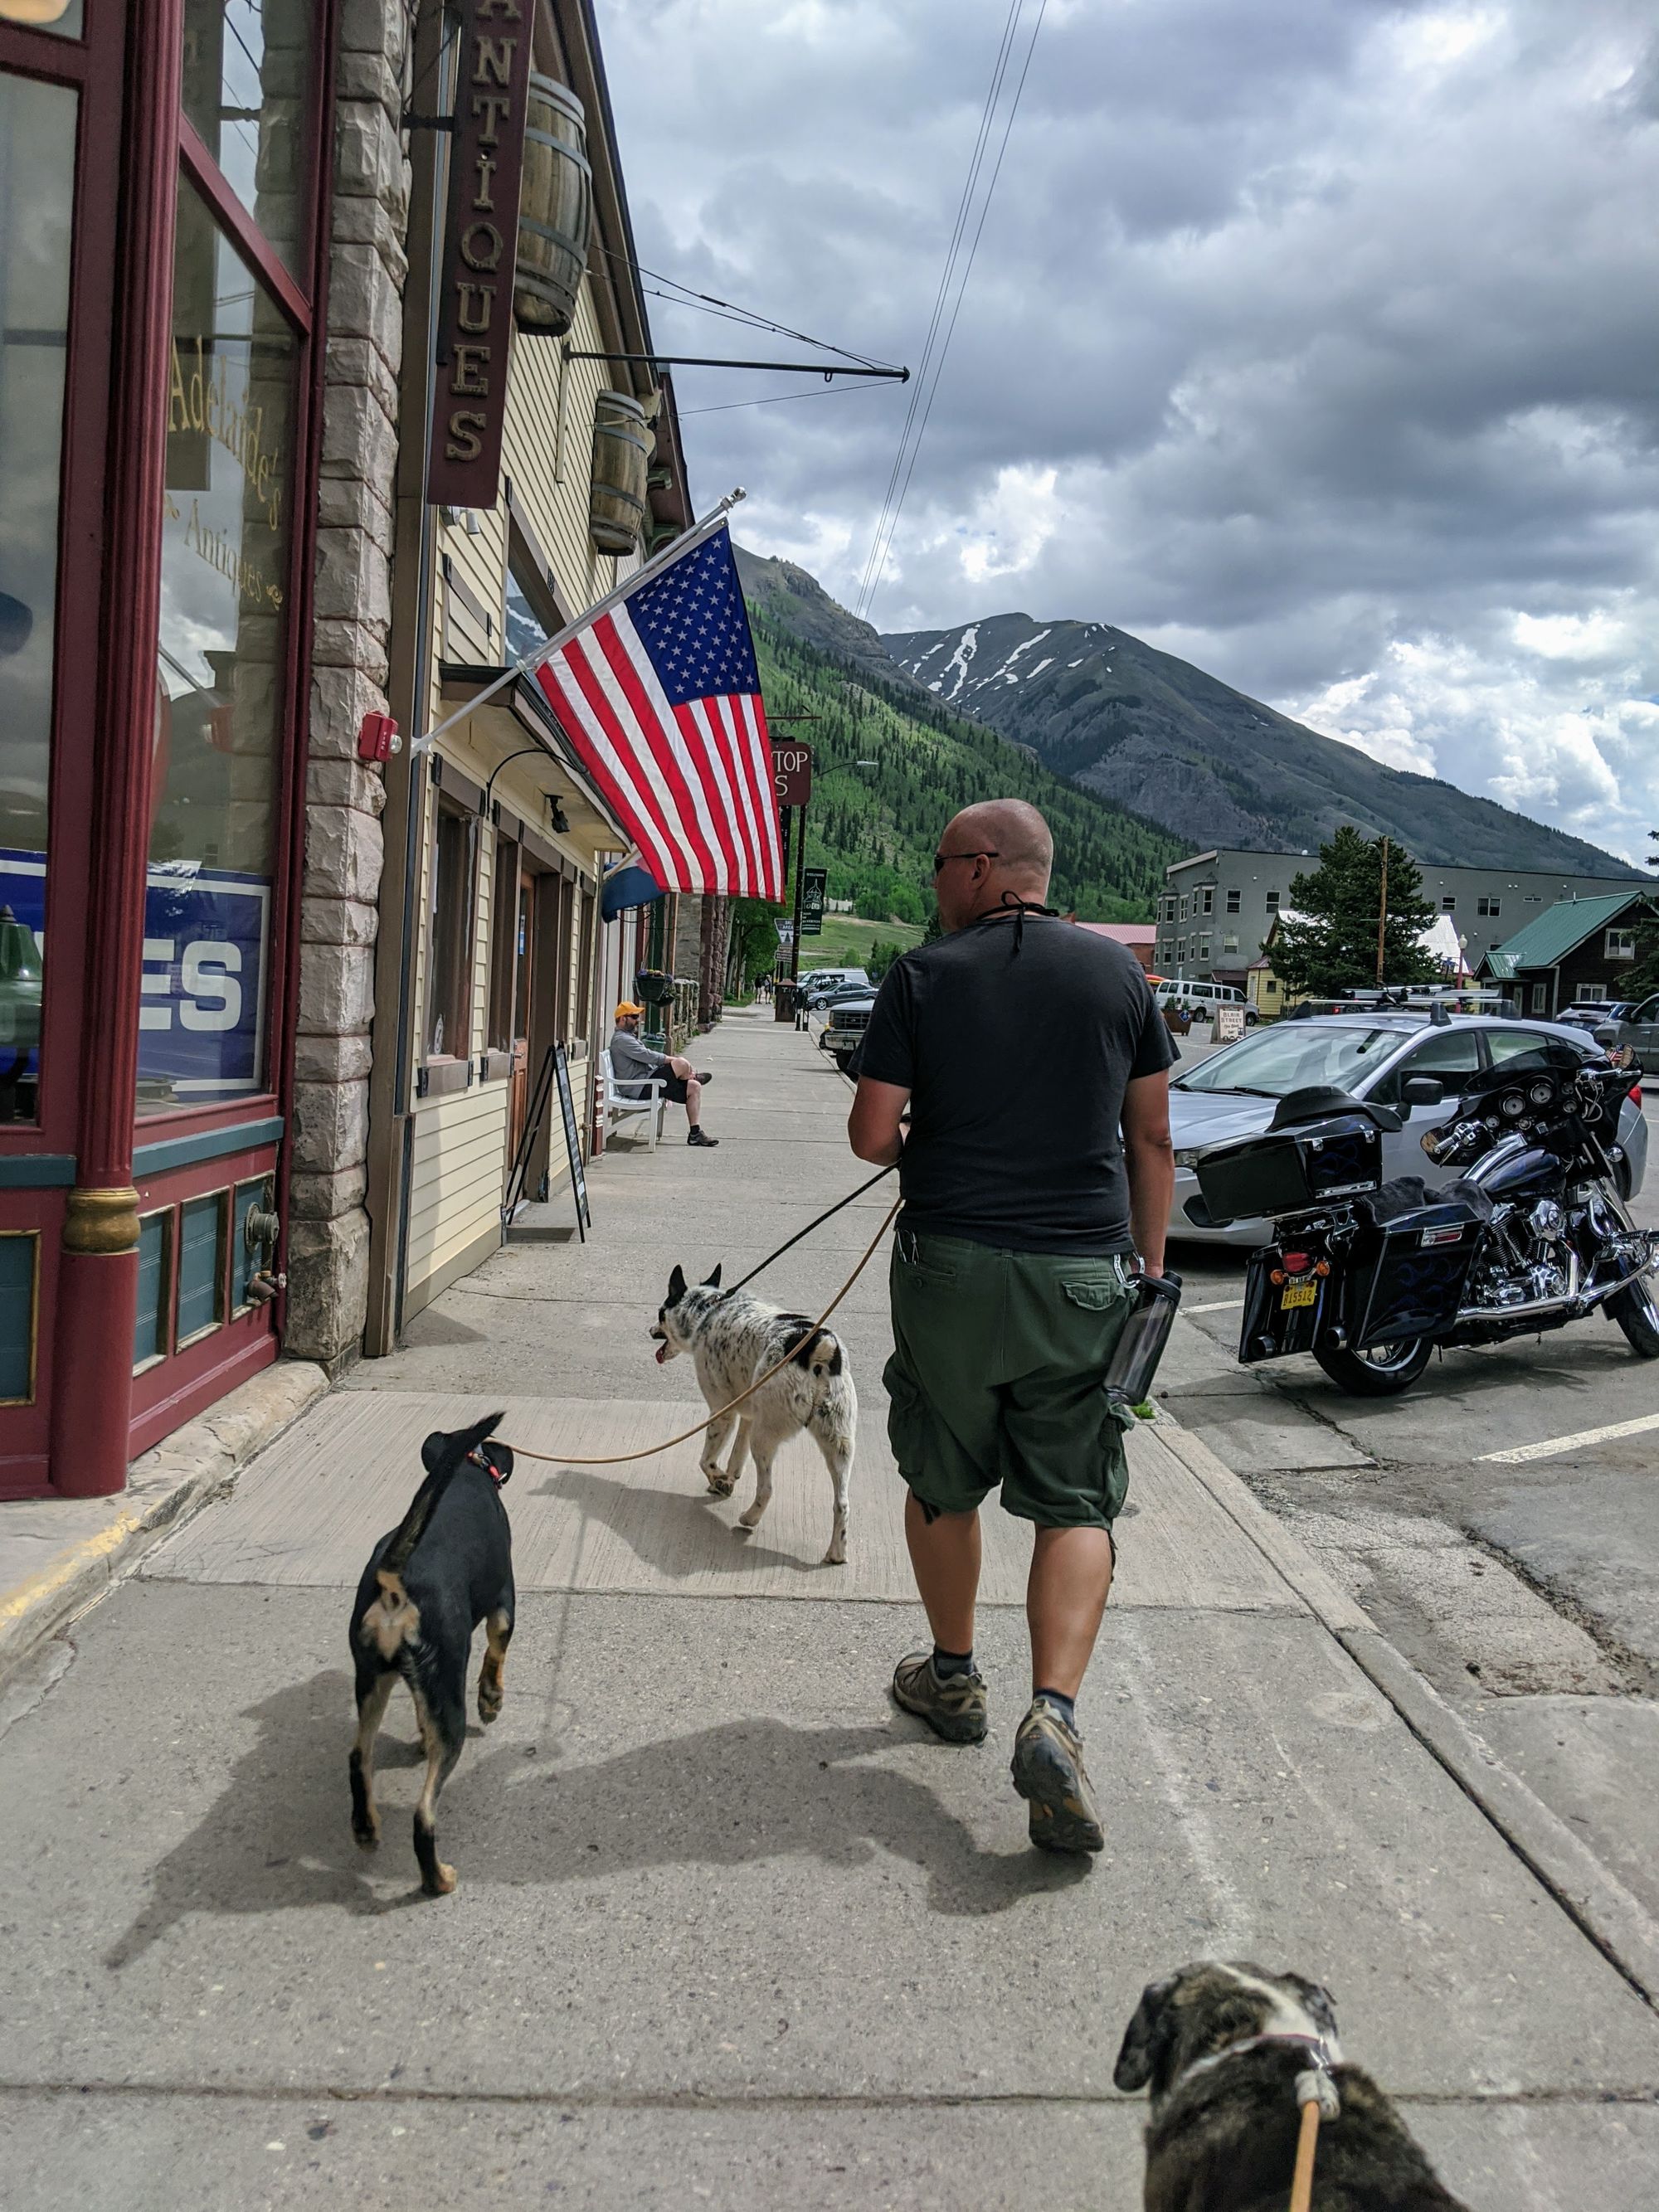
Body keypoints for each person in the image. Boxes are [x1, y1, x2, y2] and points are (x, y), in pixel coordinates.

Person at [848, 800, 1176, 1855]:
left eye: (942, 864)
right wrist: (1151, 1277)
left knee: (942, 1471)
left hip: (947, 1265)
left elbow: (868, 1136)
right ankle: (1054, 1714)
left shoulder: (921, 976)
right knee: (1076, 1493)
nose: (934, 884)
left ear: (986, 867)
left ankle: (951, 1680)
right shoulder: (1117, 978)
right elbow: (1153, 1139)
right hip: (1081, 1272)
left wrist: (935, 1145)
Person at [609, 1003, 719, 1147]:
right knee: (682, 1064)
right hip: (639, 1087)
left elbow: (648, 1061)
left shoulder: (628, 1037)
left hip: (647, 1081)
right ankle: (689, 1076)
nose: (638, 1020)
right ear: (623, 1019)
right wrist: (673, 1060)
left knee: (695, 1087)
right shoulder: (622, 1040)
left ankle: (695, 1134)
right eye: (634, 1017)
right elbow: (648, 1056)